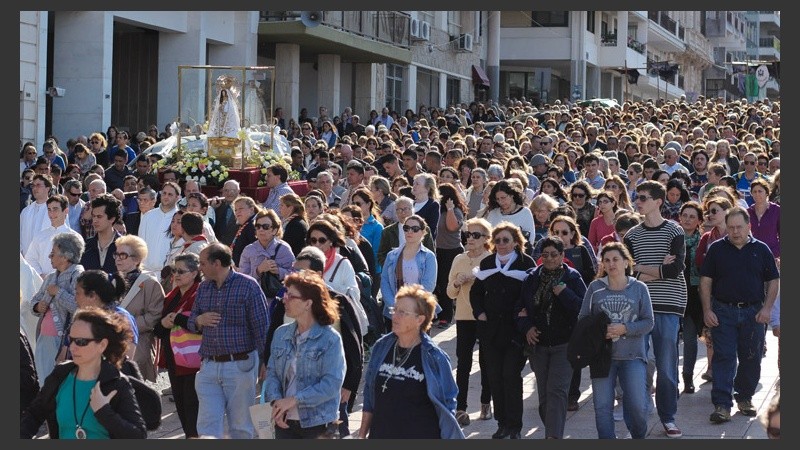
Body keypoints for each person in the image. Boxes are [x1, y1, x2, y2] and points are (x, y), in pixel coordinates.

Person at [700, 207, 779, 424]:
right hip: (722, 310)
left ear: (749, 226)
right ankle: (722, 405)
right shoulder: (717, 249)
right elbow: (706, 281)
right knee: (724, 357)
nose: (735, 232)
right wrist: (707, 309)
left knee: (751, 357)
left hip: (753, 312)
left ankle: (745, 398)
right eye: (731, 227)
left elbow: (773, 280)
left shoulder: (761, 249)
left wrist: (767, 309)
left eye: (739, 227)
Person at [356, 284, 465, 439]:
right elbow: (369, 394)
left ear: (419, 319)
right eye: (394, 310)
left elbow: (448, 403)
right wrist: (361, 435)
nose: (394, 316)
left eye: (402, 313)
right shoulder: (381, 347)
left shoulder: (434, 357)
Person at [20, 306, 147, 439]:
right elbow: (33, 415)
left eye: (81, 342)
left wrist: (104, 412)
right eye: (70, 340)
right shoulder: (60, 376)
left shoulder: (117, 383)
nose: (72, 347)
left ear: (102, 345)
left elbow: (138, 435)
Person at [624, 180, 687, 438]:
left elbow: (675, 269)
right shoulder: (631, 236)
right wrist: (657, 270)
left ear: (658, 201)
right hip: (639, 307)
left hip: (669, 305)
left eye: (642, 197)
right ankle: (637, 417)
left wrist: (642, 269)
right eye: (636, 197)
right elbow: (627, 274)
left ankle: (668, 417)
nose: (637, 201)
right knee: (636, 365)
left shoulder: (674, 231)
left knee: (666, 364)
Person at [188, 243, 269, 439]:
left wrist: (266, 362)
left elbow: (262, 327)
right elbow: (191, 320)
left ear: (217, 263)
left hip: (240, 366)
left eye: (203, 263)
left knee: (240, 428)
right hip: (208, 366)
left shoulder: (248, 285)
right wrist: (199, 321)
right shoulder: (204, 287)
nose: (200, 267)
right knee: (207, 427)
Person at [579, 242, 655, 439]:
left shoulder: (639, 288)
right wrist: (600, 332)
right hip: (602, 358)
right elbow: (583, 321)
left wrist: (625, 329)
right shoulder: (595, 288)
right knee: (602, 407)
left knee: (638, 406)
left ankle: (638, 436)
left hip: (633, 356)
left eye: (615, 259)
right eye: (607, 260)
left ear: (626, 262)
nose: (611, 264)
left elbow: (648, 322)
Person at [515, 236, 587, 439]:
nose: (549, 259)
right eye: (545, 255)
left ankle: (553, 437)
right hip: (538, 345)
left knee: (557, 391)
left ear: (562, 256)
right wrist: (527, 327)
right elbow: (519, 308)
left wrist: (564, 293)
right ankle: (553, 431)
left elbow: (584, 309)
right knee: (545, 396)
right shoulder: (532, 278)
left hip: (564, 344)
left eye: (554, 255)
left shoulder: (572, 278)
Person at [470, 222, 536, 439]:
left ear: (516, 242)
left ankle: (515, 425)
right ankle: (502, 423)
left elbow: (534, 293)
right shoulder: (488, 262)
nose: (501, 244)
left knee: (511, 375)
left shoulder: (526, 263)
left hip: (515, 332)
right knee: (494, 377)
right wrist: (479, 313)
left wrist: (527, 312)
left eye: (506, 240)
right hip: (491, 332)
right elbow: (476, 292)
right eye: (497, 240)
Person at [264, 270, 346, 439]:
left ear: (308, 303)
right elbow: (272, 374)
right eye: (285, 293)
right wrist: (276, 403)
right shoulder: (281, 334)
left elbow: (331, 384)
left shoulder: (330, 339)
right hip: (284, 423)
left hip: (319, 424)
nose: (284, 299)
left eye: (291, 296)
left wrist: (294, 400)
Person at [447, 217, 493, 425]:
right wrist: (457, 282)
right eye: (468, 235)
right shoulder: (459, 259)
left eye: (476, 235)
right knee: (463, 363)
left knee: (486, 361)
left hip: (485, 317)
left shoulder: (490, 259)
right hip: (464, 317)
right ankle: (461, 407)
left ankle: (485, 403)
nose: (470, 239)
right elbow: (449, 293)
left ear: (486, 239)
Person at [152, 253, 201, 438]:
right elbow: (158, 329)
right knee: (181, 405)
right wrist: (165, 323)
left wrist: (177, 319)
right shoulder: (171, 296)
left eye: (181, 271)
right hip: (174, 357)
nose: (177, 275)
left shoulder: (200, 293)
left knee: (192, 406)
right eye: (174, 271)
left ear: (195, 273)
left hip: (194, 360)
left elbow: (201, 325)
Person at [28, 232, 85, 386]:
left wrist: (58, 293)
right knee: (44, 383)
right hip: (44, 338)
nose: (49, 257)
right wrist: (38, 306)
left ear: (66, 256)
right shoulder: (51, 277)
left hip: (63, 342)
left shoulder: (78, 276)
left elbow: (80, 308)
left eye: (53, 254)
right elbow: (35, 301)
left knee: (57, 386)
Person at [113, 234, 165, 383]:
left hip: (138, 344)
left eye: (123, 255)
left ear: (136, 259)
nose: (117, 259)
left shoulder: (150, 283)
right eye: (116, 254)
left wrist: (128, 325)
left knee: (134, 390)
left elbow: (155, 315)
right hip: (113, 343)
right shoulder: (113, 280)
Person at [380, 215, 438, 331]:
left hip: (419, 311)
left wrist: (411, 307)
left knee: (418, 347)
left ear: (423, 232)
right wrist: (395, 306)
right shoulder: (392, 256)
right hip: (395, 311)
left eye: (415, 229)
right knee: (395, 347)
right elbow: (385, 282)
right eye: (406, 228)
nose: (409, 232)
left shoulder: (428, 256)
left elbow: (428, 285)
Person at [677, 201, 705, 394]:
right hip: (674, 291)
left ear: (699, 221)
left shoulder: (703, 240)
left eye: (692, 216)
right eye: (685, 215)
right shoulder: (673, 239)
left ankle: (688, 375)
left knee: (690, 338)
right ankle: (670, 376)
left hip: (695, 294)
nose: (687, 219)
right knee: (669, 339)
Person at [433, 183, 466, 328]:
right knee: (438, 283)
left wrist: (450, 208)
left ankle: (446, 316)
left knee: (446, 282)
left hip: (451, 252)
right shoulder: (437, 211)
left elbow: (452, 227)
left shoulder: (455, 211)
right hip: (437, 250)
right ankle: (438, 312)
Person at [238, 208, 295, 289]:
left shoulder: (284, 249)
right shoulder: (248, 250)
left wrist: (279, 271)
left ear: (274, 230)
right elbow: (242, 279)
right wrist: (258, 270)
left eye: (265, 227)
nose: (261, 230)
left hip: (277, 298)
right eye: (258, 226)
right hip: (253, 297)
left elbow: (295, 274)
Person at [138, 181, 180, 274]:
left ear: (177, 197)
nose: (166, 196)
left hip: (168, 273)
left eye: (170, 194)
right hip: (145, 271)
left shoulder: (180, 219)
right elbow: (140, 243)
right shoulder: (148, 216)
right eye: (164, 193)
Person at [747, 178, 779, 259]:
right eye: (754, 192)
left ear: (767, 193)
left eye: (760, 191)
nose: (757, 194)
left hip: (772, 256)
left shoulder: (777, 210)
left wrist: (775, 253)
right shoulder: (747, 213)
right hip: (752, 256)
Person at [230, 195, 259, 268]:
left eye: (241, 208)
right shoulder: (245, 225)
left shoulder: (253, 225)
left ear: (251, 209)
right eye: (235, 210)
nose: (237, 212)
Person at [278, 193, 310, 257]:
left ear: (290, 208)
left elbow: (282, 247)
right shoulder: (293, 222)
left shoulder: (295, 225)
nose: (279, 208)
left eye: (282, 205)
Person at [411, 173, 441, 241]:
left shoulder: (433, 205)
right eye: (414, 183)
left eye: (417, 184)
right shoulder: (410, 204)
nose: (414, 186)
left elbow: (431, 230)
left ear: (427, 188)